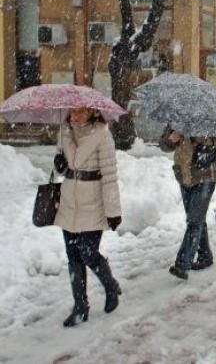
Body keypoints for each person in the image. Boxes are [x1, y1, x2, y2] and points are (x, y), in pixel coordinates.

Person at [53, 107, 122, 328]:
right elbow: (60, 167)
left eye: (82, 111)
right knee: (73, 255)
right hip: (69, 201)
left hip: (93, 201)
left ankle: (110, 285)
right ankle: (80, 307)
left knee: (88, 252)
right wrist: (59, 164)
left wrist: (113, 211)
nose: (76, 116)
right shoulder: (64, 131)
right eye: (73, 111)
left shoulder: (102, 134)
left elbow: (110, 176)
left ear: (93, 112)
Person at [159, 126, 216, 280]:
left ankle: (182, 264)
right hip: (184, 177)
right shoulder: (177, 120)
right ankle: (205, 255)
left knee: (194, 221)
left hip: (206, 177)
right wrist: (171, 139)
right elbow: (163, 145)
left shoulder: (213, 122)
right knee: (196, 219)